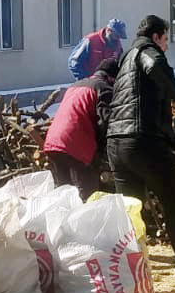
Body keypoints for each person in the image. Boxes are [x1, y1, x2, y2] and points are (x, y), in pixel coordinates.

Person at [106, 15, 175, 280]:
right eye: (166, 39)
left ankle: (129, 271)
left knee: (131, 210)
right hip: (143, 143)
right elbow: (154, 67)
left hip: (116, 143)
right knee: (173, 201)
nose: (166, 46)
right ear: (156, 36)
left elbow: (146, 118)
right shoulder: (146, 51)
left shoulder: (125, 59)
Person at [42, 57, 119, 199]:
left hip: (53, 143)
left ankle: (62, 221)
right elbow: (106, 122)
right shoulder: (103, 88)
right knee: (87, 196)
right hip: (77, 145)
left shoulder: (75, 85)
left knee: (63, 195)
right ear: (113, 78)